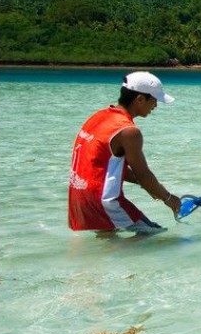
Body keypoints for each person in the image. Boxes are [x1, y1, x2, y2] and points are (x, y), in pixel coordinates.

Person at [68, 71, 181, 234]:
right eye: (154, 100)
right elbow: (143, 174)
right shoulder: (129, 131)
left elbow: (103, 165)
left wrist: (151, 187)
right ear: (140, 99)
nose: (155, 106)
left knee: (107, 239)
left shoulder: (98, 116)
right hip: (104, 199)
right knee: (152, 235)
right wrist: (169, 199)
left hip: (80, 195)